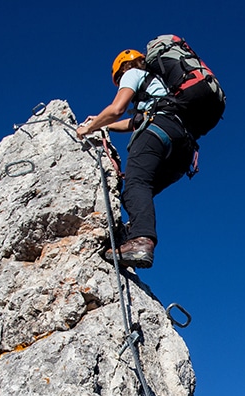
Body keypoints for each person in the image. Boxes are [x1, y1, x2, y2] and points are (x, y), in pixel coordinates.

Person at [75, 49, 195, 268]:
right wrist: (104, 125)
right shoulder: (162, 90)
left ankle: (140, 241)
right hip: (183, 148)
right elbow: (134, 123)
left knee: (135, 185)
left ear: (123, 68)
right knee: (140, 191)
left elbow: (117, 109)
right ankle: (133, 232)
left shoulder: (132, 73)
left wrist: (89, 127)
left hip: (157, 132)